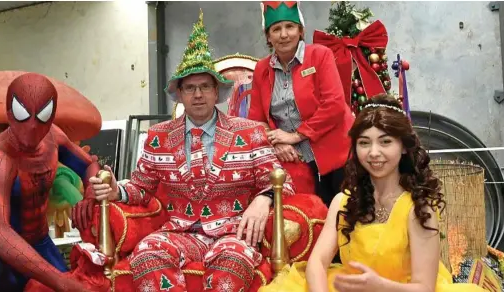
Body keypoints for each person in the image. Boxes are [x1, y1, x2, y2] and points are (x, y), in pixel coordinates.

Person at [77, 10, 295, 292]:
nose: (198, 95)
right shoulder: (159, 136)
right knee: (146, 255)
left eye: (205, 86)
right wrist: (115, 191)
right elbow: (143, 187)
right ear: (179, 94)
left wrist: (263, 200)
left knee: (230, 265)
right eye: (189, 88)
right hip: (179, 231)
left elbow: (282, 184)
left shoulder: (249, 132)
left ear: (217, 92)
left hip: (233, 233)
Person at [258, 94, 488, 292]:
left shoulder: (418, 208)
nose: (374, 153)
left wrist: (379, 286)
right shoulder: (343, 201)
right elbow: (317, 263)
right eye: (364, 143)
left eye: (385, 142)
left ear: (404, 147)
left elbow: (424, 287)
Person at [0, 73, 96, 292]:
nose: (32, 126)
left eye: (42, 115)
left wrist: (90, 194)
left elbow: (90, 165)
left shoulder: (53, 137)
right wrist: (59, 281)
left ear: (52, 117)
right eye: (23, 114)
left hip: (40, 242)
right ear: (9, 113)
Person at [248, 1, 354, 207]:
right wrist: (277, 142)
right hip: (294, 164)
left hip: (337, 155)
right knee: (309, 222)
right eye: (276, 29)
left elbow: (334, 105)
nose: (284, 34)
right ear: (268, 36)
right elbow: (256, 121)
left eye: (290, 26)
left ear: (300, 30)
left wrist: (295, 135)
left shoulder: (320, 55)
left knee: (344, 218)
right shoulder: (261, 69)